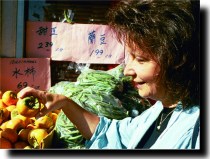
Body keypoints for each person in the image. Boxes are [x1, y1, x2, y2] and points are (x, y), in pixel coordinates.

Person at [18, 0, 200, 149]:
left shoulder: (197, 130)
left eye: (141, 59)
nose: (128, 70)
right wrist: (63, 102)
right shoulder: (160, 110)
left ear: (177, 60)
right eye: (130, 57)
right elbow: (113, 135)